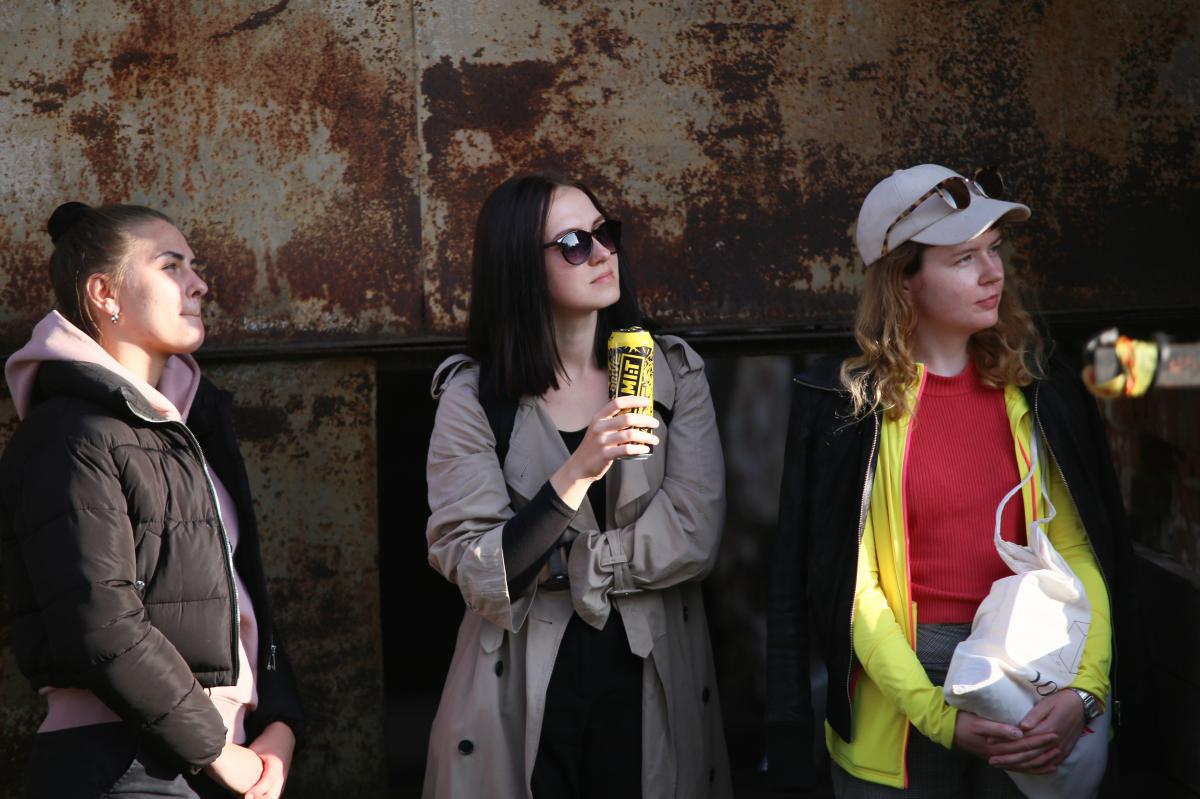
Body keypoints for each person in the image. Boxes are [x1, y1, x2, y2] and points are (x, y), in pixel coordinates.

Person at [767, 165, 1148, 796]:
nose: (993, 273)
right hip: (898, 686)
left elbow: (1082, 553)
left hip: (1035, 666)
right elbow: (851, 589)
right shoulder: (846, 407)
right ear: (904, 280)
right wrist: (936, 715)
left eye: (994, 250)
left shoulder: (1038, 390)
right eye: (964, 258)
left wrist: (1085, 690)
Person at [422, 174, 731, 798]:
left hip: (651, 669)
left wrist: (567, 566)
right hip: (519, 684)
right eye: (573, 243)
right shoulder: (473, 397)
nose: (602, 253)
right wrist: (577, 470)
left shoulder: (670, 373)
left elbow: (694, 536)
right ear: (520, 267)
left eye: (604, 233)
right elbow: (478, 567)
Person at [0, 203, 304, 799]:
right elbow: (102, 625)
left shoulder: (188, 430)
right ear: (105, 293)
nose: (200, 284)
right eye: (171, 266)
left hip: (215, 759)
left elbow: (244, 595)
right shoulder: (70, 434)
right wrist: (216, 752)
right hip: (123, 766)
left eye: (194, 265)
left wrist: (281, 723)